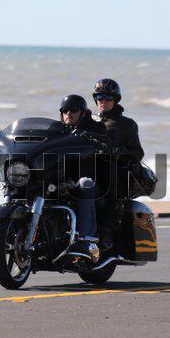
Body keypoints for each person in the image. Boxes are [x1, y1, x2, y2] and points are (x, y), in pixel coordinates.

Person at [92, 78, 145, 250]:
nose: (103, 101)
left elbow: (137, 152)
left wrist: (118, 153)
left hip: (115, 172)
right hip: (89, 168)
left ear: (115, 100)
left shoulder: (126, 124)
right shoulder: (90, 122)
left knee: (110, 176)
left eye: (108, 98)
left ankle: (106, 232)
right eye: (100, 97)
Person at [59, 94, 109, 239]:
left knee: (85, 184)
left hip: (93, 182)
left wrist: (92, 140)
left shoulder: (96, 128)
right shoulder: (58, 131)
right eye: (65, 110)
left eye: (73, 110)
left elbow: (105, 146)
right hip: (65, 179)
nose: (68, 113)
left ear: (82, 112)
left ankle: (86, 238)